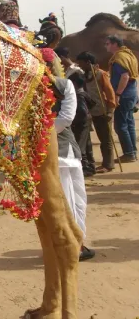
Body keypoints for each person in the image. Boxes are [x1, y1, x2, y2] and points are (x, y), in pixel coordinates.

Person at [51, 76, 94, 261]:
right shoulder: (63, 83)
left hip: (63, 151)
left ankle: (75, 242)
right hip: (59, 154)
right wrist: (45, 133)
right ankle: (71, 245)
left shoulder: (60, 84)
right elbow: (66, 118)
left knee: (76, 200)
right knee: (68, 201)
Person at [75, 52, 116, 172]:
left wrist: (110, 111)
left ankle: (108, 165)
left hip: (102, 110)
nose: (80, 65)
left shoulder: (101, 74)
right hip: (89, 111)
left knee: (105, 138)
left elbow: (110, 93)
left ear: (88, 62)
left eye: (81, 63)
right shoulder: (83, 75)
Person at [105, 35, 139, 162]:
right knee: (129, 123)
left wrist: (117, 94)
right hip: (131, 92)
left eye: (107, 43)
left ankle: (129, 153)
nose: (106, 46)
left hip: (124, 94)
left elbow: (125, 76)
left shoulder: (119, 57)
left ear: (115, 44)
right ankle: (132, 152)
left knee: (121, 125)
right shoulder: (129, 54)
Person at [69, 73, 97, 177]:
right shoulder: (84, 93)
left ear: (74, 84)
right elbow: (92, 104)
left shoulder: (79, 96)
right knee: (87, 144)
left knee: (80, 146)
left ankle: (85, 168)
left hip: (81, 123)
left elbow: (82, 111)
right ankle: (91, 166)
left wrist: (73, 120)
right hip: (87, 122)